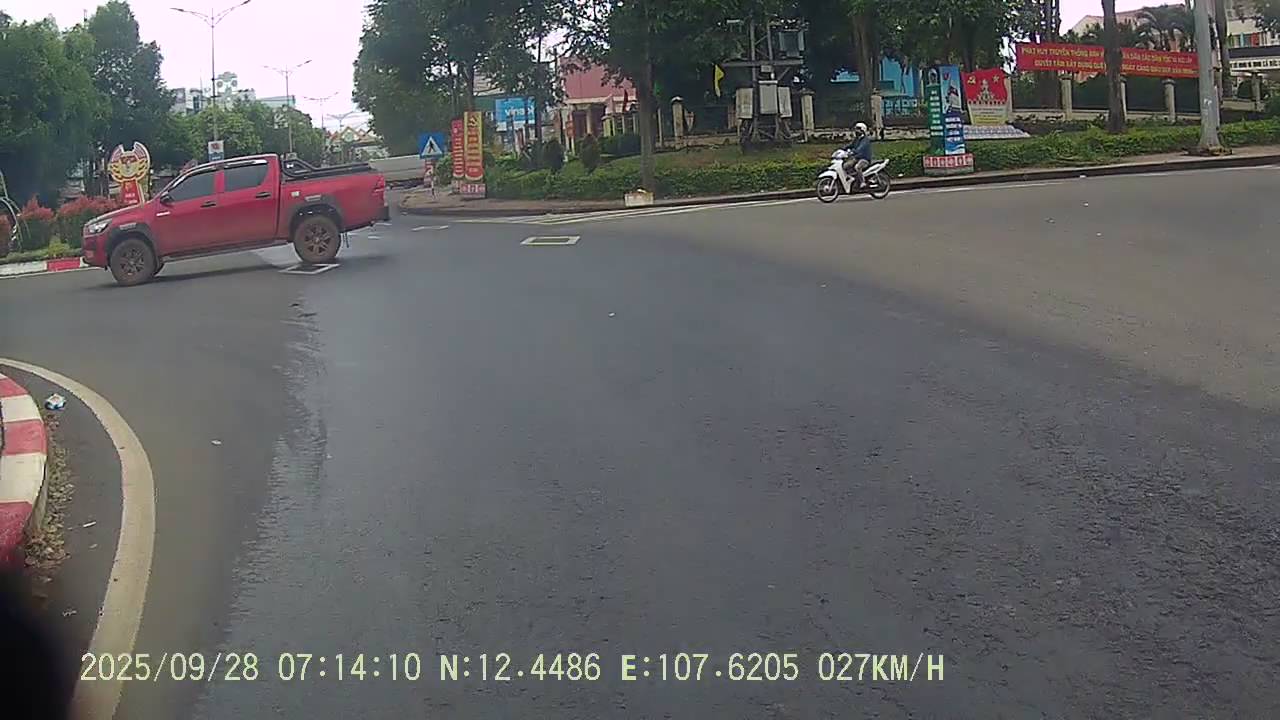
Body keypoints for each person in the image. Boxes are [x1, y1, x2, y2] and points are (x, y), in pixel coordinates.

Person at [843, 122, 873, 188]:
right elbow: (850, 145)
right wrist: (843, 149)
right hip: (857, 158)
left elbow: (860, 149)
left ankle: (862, 182)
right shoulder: (857, 139)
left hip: (865, 159)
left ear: (862, 130)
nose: (856, 131)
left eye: (858, 129)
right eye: (856, 129)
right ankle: (852, 179)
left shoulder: (865, 140)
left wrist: (852, 152)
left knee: (857, 167)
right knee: (845, 166)